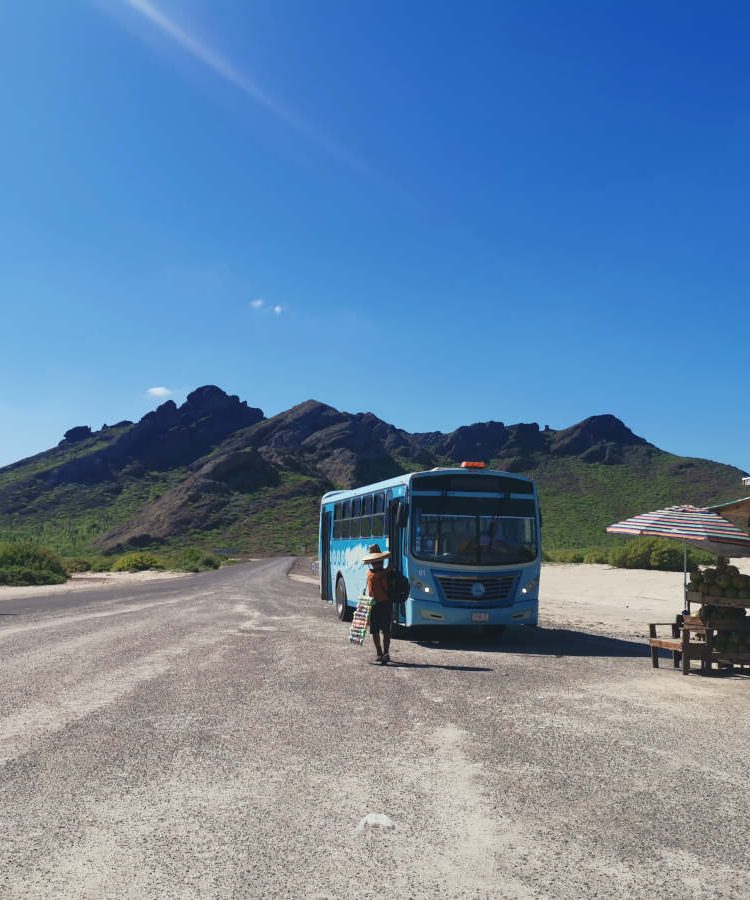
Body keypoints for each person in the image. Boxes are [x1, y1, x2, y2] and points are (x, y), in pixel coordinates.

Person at [361, 543, 393, 665]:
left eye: (378, 562)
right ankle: (379, 652)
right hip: (374, 605)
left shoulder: (385, 573)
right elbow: (374, 577)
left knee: (386, 630)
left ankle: (386, 652)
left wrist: (388, 571)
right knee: (375, 631)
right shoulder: (371, 574)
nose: (377, 564)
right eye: (374, 562)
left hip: (385, 604)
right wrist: (387, 571)